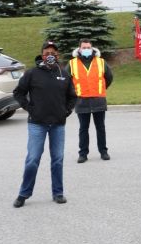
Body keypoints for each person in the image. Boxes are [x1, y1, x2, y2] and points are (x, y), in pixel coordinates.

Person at [12, 41, 77, 208]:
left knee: (57, 159)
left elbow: (72, 96)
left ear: (58, 55)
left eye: (54, 53)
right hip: (37, 124)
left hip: (58, 124)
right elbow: (18, 92)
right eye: (47, 52)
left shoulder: (64, 74)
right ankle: (23, 193)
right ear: (42, 55)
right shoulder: (32, 73)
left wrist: (66, 111)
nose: (51, 55)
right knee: (33, 159)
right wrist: (29, 108)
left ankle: (58, 192)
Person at [68, 39, 113, 163]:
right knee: (83, 129)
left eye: (88, 47)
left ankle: (103, 152)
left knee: (100, 127)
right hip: (81, 101)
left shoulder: (101, 62)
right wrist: (74, 93)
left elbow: (109, 77)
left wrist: (101, 88)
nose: (86, 49)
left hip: (98, 100)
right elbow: (67, 81)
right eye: (84, 47)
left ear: (92, 48)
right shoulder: (72, 64)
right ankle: (83, 154)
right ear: (79, 49)